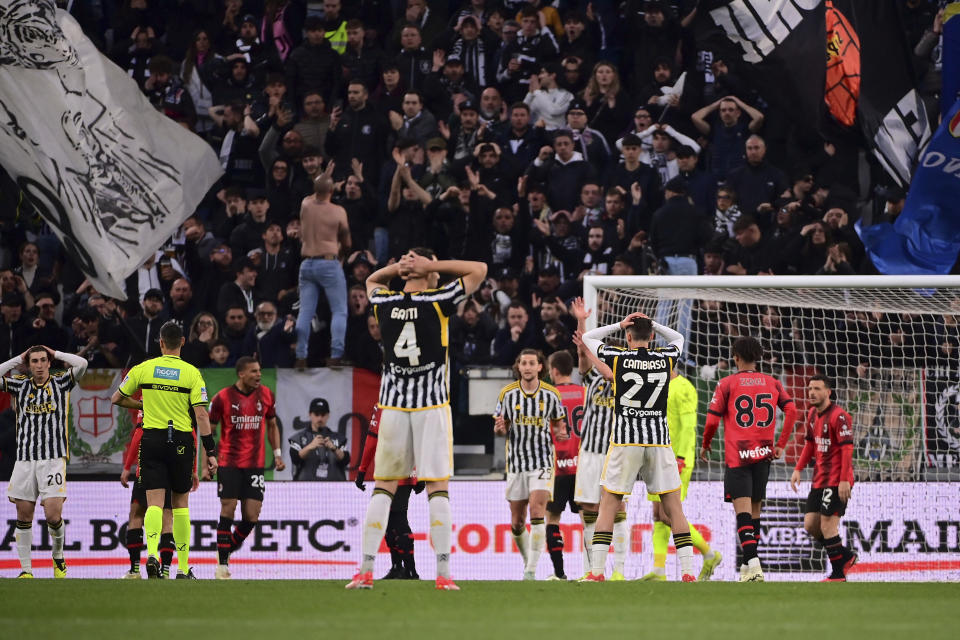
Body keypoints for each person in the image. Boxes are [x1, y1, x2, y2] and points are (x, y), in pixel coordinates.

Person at [346, 248, 486, 591]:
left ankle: (364, 571)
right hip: (431, 406)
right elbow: (479, 268)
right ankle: (443, 575)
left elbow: (371, 279)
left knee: (384, 487)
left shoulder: (385, 302)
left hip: (392, 406)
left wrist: (400, 268)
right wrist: (430, 265)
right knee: (437, 488)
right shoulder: (438, 300)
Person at [576, 312, 697, 582]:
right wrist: (653, 323)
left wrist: (620, 324)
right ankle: (688, 573)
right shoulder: (665, 357)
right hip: (659, 441)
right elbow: (678, 337)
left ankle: (596, 573)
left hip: (625, 441)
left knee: (609, 504)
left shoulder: (618, 357)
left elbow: (587, 337)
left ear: (628, 337)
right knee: (674, 507)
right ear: (652, 337)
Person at [111, 322, 217, 580]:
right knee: (180, 505)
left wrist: (141, 403)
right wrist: (211, 451)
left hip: (152, 439)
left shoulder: (144, 368)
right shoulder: (192, 373)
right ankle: (182, 569)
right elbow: (201, 415)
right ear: (182, 342)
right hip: (181, 441)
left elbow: (116, 398)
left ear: (160, 343)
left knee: (154, 504)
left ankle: (151, 556)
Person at [700, 336, 798, 582]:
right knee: (755, 512)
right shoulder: (773, 383)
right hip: (764, 454)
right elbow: (792, 410)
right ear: (758, 358)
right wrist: (781, 444)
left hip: (739, 455)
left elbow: (712, 420)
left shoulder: (727, 384)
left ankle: (754, 565)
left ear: (735, 357)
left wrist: (706, 444)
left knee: (742, 512)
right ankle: (746, 567)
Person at [1, 345, 87, 578]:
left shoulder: (61, 383)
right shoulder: (20, 384)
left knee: (53, 516)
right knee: (23, 515)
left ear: (49, 363)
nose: (39, 365)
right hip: (25, 460)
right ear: (28, 365)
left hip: (53, 459)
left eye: (42, 360)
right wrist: (18, 357)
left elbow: (83, 364)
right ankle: (26, 570)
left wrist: (56, 353)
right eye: (34, 361)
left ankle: (58, 557)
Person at [640, 365, 722, 582]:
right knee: (657, 514)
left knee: (669, 514)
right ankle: (658, 570)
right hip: (656, 457)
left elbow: (688, 427)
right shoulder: (655, 387)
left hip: (676, 459)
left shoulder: (683, 387)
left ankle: (709, 554)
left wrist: (682, 457)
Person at [494, 349, 568, 580]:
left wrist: (562, 433)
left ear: (540, 367)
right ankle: (529, 561)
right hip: (516, 463)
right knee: (517, 522)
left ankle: (530, 571)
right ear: (518, 366)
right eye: (523, 363)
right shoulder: (507, 394)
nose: (527, 367)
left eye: (531, 363)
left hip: (543, 461)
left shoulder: (551, 394)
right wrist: (499, 430)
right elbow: (500, 427)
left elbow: (558, 425)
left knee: (538, 512)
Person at [208, 357, 285, 579]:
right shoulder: (222, 397)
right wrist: (208, 460)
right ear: (241, 374)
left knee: (252, 516)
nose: (258, 375)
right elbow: (209, 431)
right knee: (228, 509)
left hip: (255, 465)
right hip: (229, 463)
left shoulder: (267, 395)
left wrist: (278, 454)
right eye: (254, 371)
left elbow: (272, 425)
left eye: (260, 371)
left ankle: (226, 548)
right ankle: (222, 566)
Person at [568, 299, 623, 580]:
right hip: (590, 451)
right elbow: (582, 350)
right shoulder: (592, 379)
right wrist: (582, 321)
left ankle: (620, 571)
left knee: (618, 508)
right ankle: (591, 569)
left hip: (617, 450)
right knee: (589, 508)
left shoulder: (628, 377)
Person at [791, 375, 858, 582]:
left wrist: (845, 480)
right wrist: (798, 468)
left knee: (828, 526)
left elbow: (847, 449)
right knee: (811, 525)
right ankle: (845, 556)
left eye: (817, 388)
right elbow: (810, 444)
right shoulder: (812, 414)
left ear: (828, 392)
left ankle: (838, 574)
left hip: (837, 480)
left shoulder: (839, 416)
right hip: (819, 479)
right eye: (810, 388)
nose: (812, 392)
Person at [355, 405, 424, 580]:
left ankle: (409, 570)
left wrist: (362, 470)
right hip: (408, 471)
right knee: (391, 521)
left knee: (396, 519)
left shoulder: (383, 405)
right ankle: (398, 568)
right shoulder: (417, 403)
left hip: (390, 471)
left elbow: (372, 439)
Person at [294, 175, 351, 370]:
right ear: (332, 191)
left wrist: (322, 179)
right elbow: (347, 242)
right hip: (328, 262)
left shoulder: (306, 205)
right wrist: (340, 257)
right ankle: (336, 355)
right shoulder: (338, 211)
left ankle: (301, 355)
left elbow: (315, 193)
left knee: (305, 311)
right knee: (339, 310)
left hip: (307, 263)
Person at [120, 412, 176, 579]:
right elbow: (192, 434)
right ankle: (165, 571)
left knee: (137, 514)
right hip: (171, 469)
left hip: (147, 468)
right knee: (167, 517)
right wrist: (192, 470)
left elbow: (139, 434)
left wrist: (127, 466)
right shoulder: (177, 398)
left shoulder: (148, 399)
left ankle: (135, 570)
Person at [544, 349, 582, 580]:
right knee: (590, 518)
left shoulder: (548, 396)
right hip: (583, 466)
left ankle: (559, 574)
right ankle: (593, 570)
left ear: (554, 370)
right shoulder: (585, 393)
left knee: (552, 519)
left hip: (557, 466)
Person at [288, 398, 349, 481]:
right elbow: (295, 458)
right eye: (316, 414)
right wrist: (310, 447)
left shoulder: (338, 438)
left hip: (334, 488)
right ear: (310, 414)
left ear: (328, 415)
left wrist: (334, 448)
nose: (320, 418)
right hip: (305, 488)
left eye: (323, 415)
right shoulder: (299, 438)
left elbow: (346, 460)